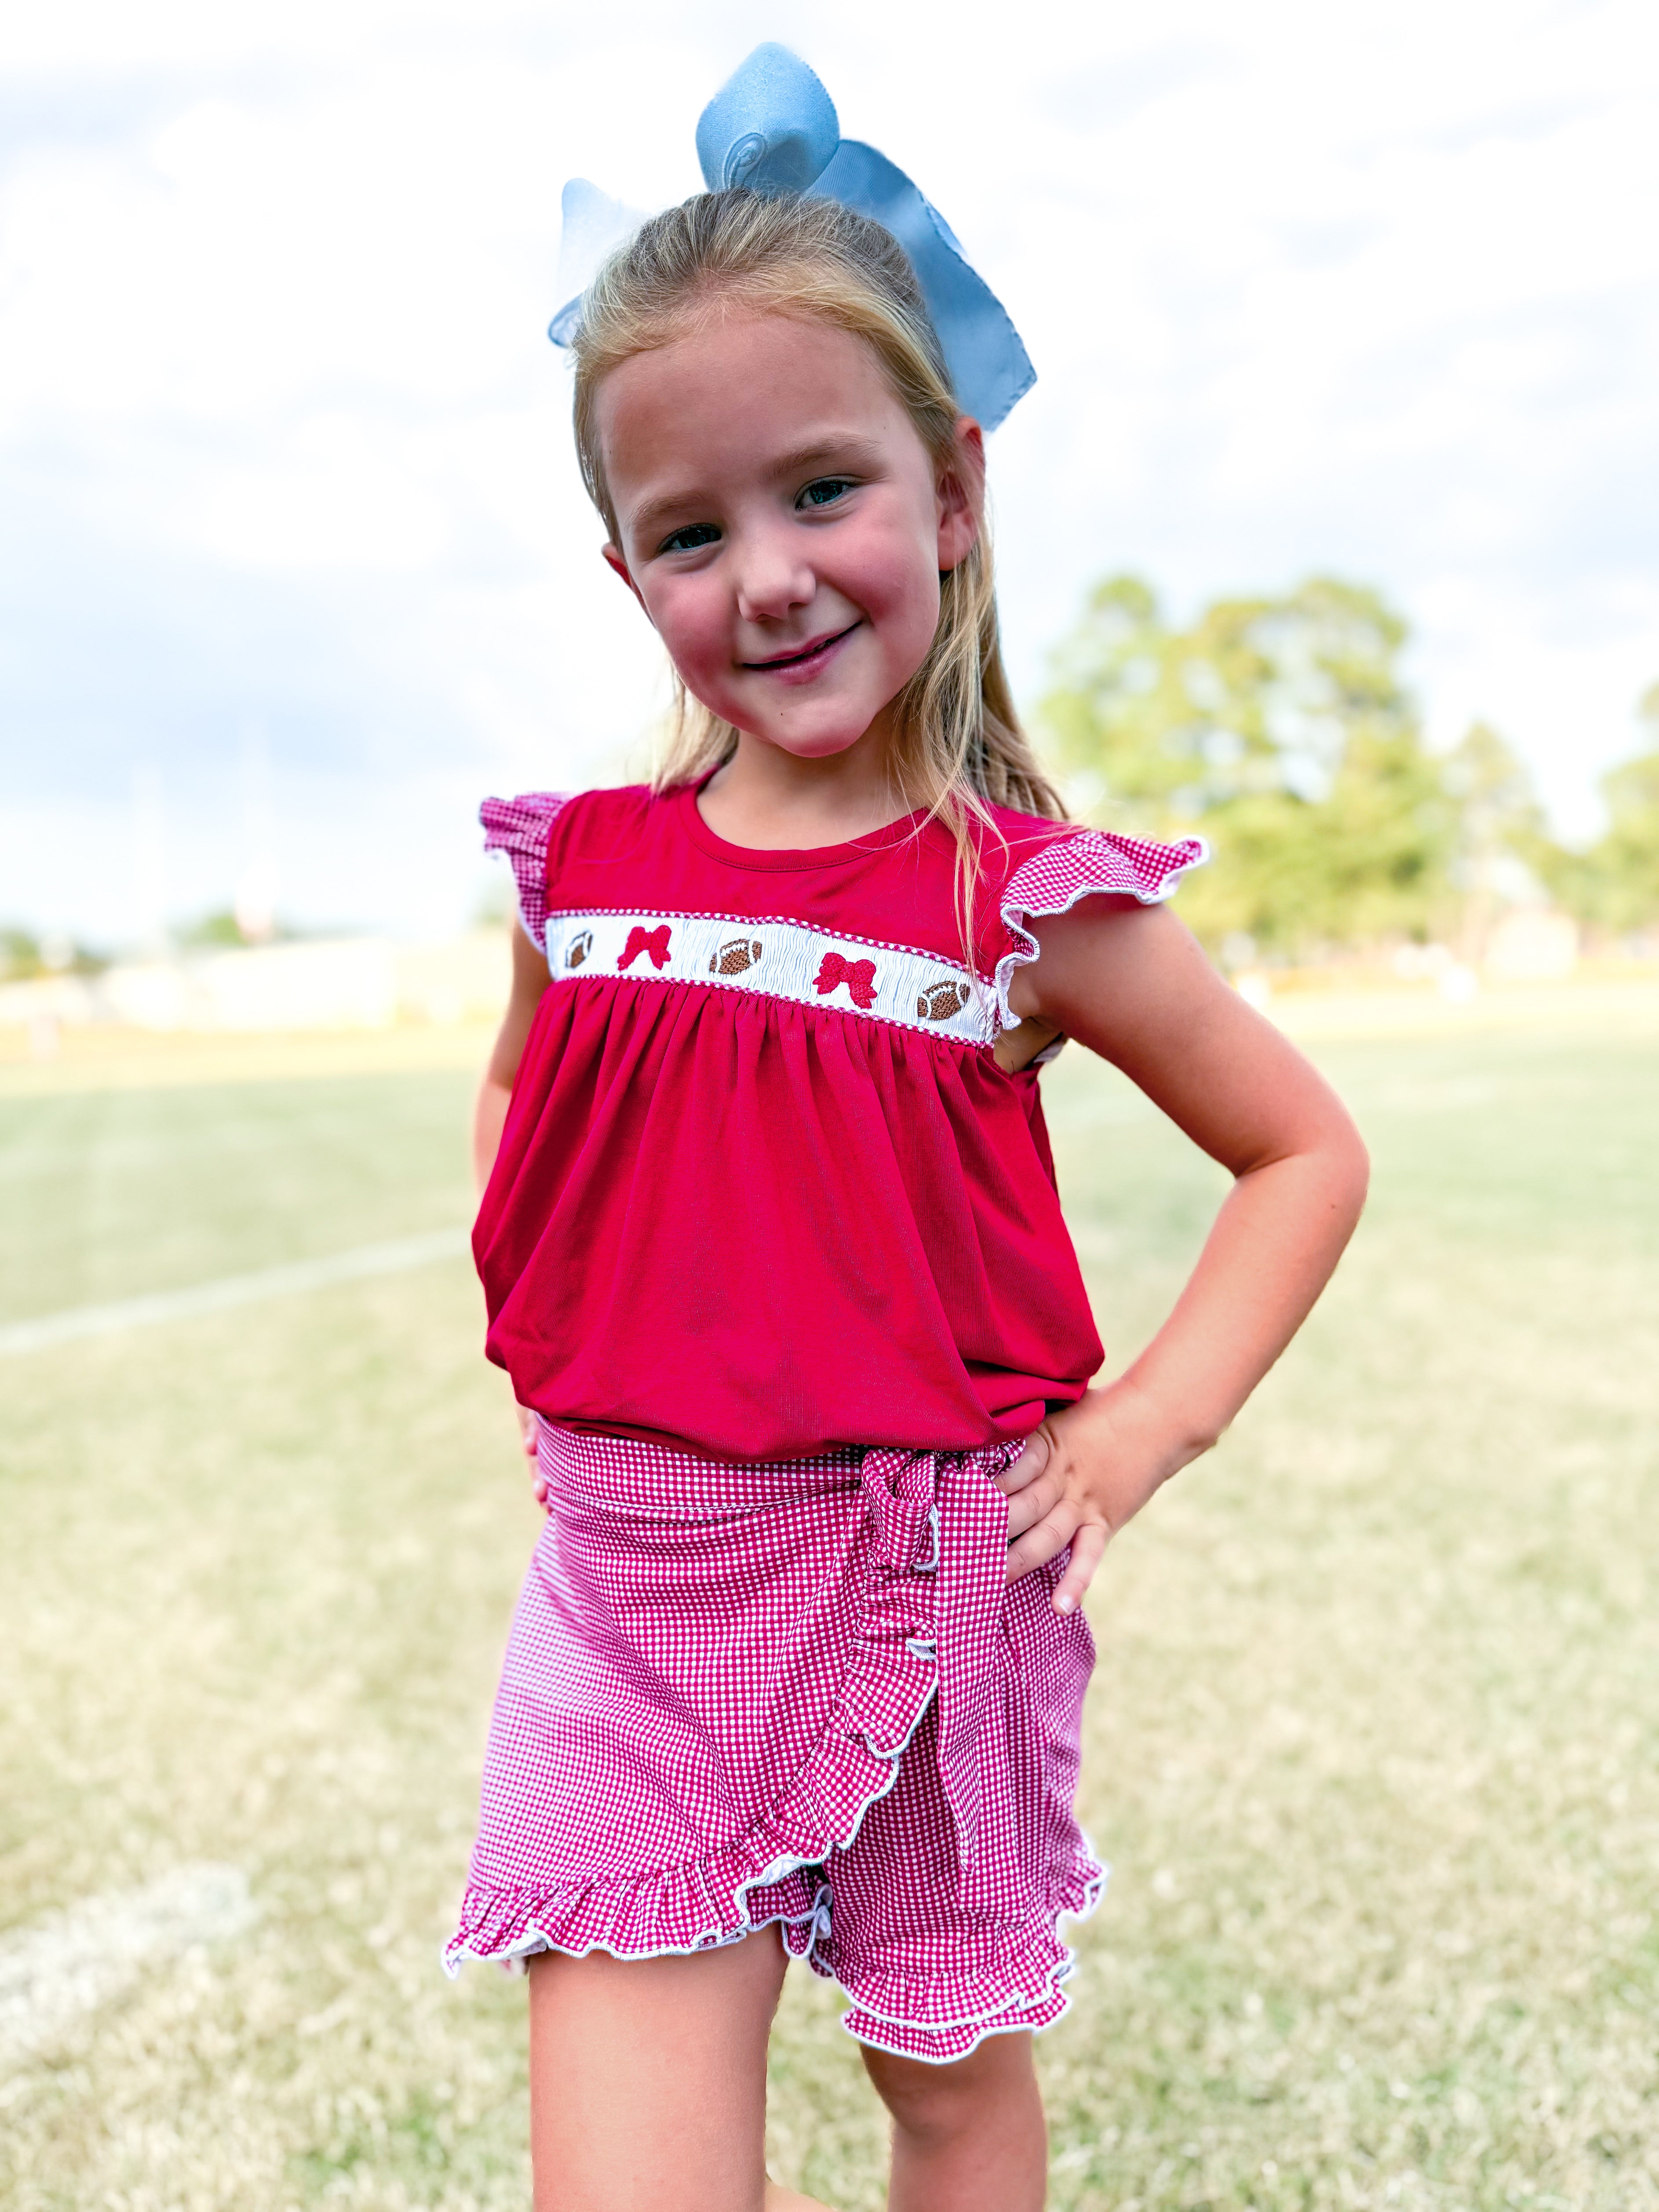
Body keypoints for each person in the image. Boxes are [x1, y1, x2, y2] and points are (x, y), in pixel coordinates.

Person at [448, 54, 1368, 2212]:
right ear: (625, 570)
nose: (765, 577)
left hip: (924, 1573)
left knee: (943, 2093)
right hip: (632, 1589)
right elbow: (530, 1098)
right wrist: (569, 1326)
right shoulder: (576, 868)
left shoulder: (1022, 897)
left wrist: (1141, 1432)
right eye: (691, 532)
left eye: (820, 493)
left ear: (951, 491)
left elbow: (1301, 1152)